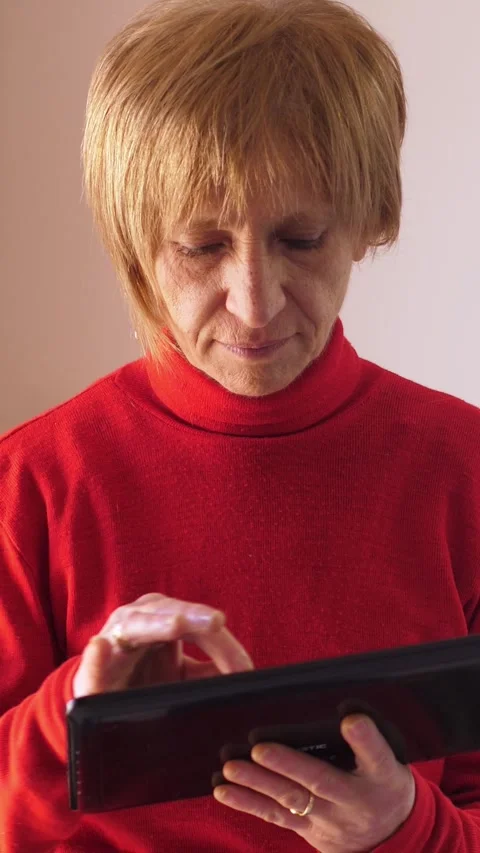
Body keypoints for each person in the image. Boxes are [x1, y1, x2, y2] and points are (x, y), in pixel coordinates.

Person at [1, 0, 479, 849]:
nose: (255, 305)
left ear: (371, 219)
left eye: (302, 238)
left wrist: (408, 828)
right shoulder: (29, 482)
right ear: (134, 239)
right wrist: (75, 714)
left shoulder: (463, 468)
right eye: (201, 247)